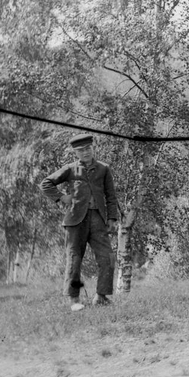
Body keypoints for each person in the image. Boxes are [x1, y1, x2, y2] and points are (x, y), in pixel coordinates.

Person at [40, 133, 120, 311]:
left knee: (107, 257)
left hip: (98, 219)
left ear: (93, 148)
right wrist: (61, 197)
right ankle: (74, 300)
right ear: (75, 152)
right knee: (74, 259)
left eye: (88, 148)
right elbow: (46, 183)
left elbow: (111, 196)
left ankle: (101, 296)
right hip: (75, 220)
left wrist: (112, 218)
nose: (85, 152)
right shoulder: (70, 169)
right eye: (81, 150)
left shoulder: (103, 169)